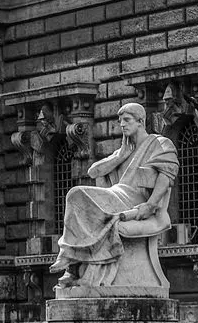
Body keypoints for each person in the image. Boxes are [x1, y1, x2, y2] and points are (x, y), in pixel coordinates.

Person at [49, 101, 177, 287]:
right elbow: (93, 171)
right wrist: (119, 156)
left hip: (134, 202)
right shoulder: (125, 149)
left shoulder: (160, 143)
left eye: (127, 120)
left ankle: (71, 261)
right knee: (75, 195)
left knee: (76, 194)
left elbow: (167, 174)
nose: (122, 125)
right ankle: (73, 262)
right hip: (116, 196)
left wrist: (150, 205)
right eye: (120, 121)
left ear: (141, 121)